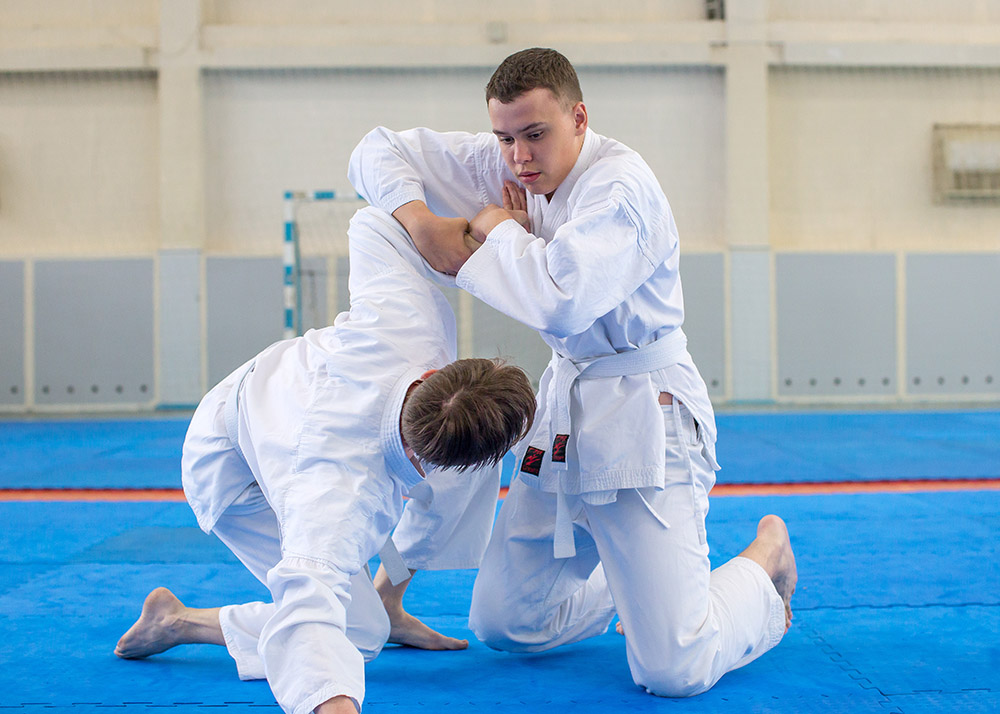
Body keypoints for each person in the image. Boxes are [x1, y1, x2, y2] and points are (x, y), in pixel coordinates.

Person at [348, 47, 797, 698]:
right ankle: (643, 584)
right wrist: (420, 223)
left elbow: (561, 299)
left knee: (674, 669)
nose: (519, 157)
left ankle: (762, 561)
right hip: (564, 410)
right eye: (505, 138)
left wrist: (497, 228)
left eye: (535, 134)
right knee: (506, 623)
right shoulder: (506, 159)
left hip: (644, 407)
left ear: (578, 118)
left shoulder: (620, 190)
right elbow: (375, 150)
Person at [114, 207, 536, 714]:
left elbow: (374, 224)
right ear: (423, 462)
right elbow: (307, 606)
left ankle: (388, 598)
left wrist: (481, 235)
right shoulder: (338, 494)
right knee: (358, 632)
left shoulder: (409, 322)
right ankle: (177, 621)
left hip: (280, 400)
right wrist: (333, 703)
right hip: (230, 463)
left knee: (475, 451)